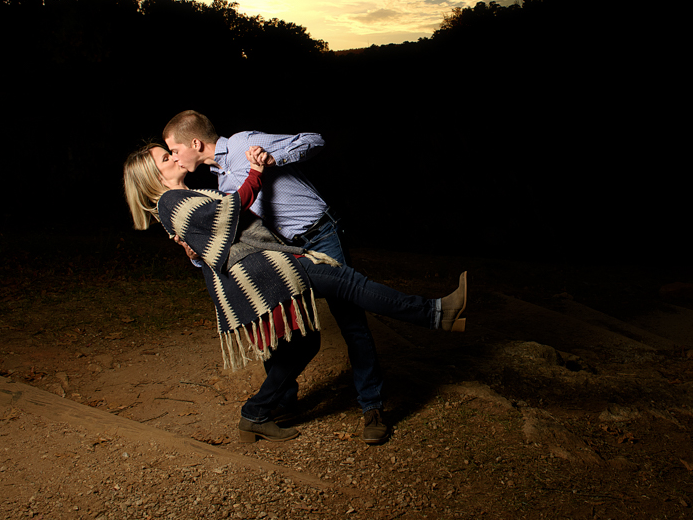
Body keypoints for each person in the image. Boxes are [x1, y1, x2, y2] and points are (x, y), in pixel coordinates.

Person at [123, 143, 467, 445]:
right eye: (166, 157)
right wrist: (255, 173)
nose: (174, 158)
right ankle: (437, 313)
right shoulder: (170, 200)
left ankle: (255, 414)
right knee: (349, 284)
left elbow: (207, 241)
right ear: (152, 174)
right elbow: (227, 214)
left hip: (269, 266)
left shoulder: (180, 198)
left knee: (306, 342)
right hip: (262, 268)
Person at [161, 111, 390, 443]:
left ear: (194, 143)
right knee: (273, 322)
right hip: (284, 253)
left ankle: (372, 407)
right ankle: (282, 402)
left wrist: (273, 157)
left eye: (174, 149)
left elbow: (313, 140)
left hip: (320, 236)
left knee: (350, 318)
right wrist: (197, 256)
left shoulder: (244, 144)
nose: (175, 157)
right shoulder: (223, 182)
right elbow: (228, 239)